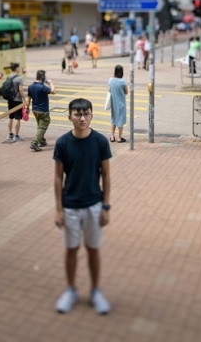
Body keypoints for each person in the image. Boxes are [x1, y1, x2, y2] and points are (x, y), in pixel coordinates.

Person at [53, 98, 112, 315]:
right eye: (77, 114)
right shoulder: (62, 143)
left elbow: (106, 174)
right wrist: (58, 209)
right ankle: (71, 290)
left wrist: (106, 206)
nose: (82, 118)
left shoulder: (100, 141)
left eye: (86, 113)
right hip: (70, 206)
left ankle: (96, 291)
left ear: (92, 115)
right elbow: (58, 178)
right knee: (71, 250)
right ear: (69, 116)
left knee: (93, 250)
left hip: (94, 205)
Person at [27, 70, 56, 152]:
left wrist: (27, 108)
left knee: (40, 125)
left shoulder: (31, 86)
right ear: (42, 77)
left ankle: (42, 141)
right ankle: (34, 143)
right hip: (43, 110)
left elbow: (28, 98)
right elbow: (53, 91)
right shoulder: (42, 87)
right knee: (43, 125)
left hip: (35, 110)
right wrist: (50, 83)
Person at [5, 62, 27, 141]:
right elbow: (21, 90)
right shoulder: (19, 78)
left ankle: (10, 134)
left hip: (10, 100)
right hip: (17, 100)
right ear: (16, 69)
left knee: (10, 117)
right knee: (17, 118)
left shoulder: (9, 77)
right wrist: (25, 99)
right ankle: (16, 136)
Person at [108, 65, 128, 143]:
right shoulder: (123, 81)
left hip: (114, 103)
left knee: (113, 119)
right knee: (120, 120)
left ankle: (112, 137)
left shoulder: (110, 80)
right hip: (121, 104)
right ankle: (119, 138)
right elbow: (126, 92)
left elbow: (109, 90)